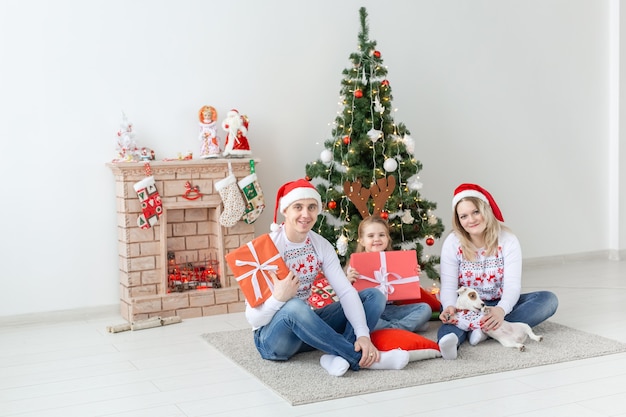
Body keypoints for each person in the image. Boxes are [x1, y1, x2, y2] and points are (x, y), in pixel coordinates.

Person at [245, 179, 410, 376]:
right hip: (272, 340)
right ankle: (360, 358)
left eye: (312, 207)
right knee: (294, 306)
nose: (306, 214)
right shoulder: (267, 248)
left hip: (306, 330)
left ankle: (339, 355)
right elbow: (252, 317)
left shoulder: (320, 245)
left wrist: (363, 334)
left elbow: (346, 292)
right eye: (298, 207)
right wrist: (278, 298)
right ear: (285, 210)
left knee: (375, 296)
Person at [437, 183, 559, 360]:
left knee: (548, 300)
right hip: (466, 306)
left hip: (498, 303)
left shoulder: (508, 240)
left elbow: (512, 286)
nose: (471, 220)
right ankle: (456, 338)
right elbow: (448, 286)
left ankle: (482, 329)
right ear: (458, 220)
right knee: (453, 319)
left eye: (475, 212)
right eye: (464, 216)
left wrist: (501, 310)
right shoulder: (453, 242)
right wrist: (449, 306)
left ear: (485, 210)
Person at [346, 215, 432, 332]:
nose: (377, 239)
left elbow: (405, 286)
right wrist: (348, 281)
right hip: (368, 312)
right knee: (360, 321)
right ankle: (403, 327)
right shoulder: (354, 265)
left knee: (425, 309)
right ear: (362, 240)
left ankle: (391, 329)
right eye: (371, 236)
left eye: (381, 235)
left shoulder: (396, 261)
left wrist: (412, 273)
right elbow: (346, 297)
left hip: (391, 310)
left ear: (387, 238)